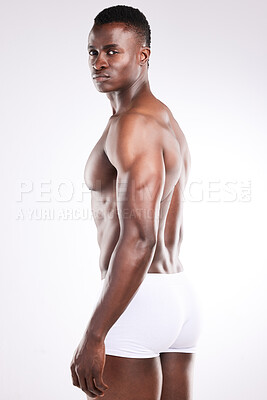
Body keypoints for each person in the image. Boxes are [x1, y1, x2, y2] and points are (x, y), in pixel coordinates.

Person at [70, 5, 201, 400]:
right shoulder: (162, 118)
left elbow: (140, 236)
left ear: (142, 55)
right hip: (177, 296)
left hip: (138, 300)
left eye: (113, 51)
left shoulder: (133, 124)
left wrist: (95, 334)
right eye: (93, 52)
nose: (100, 62)